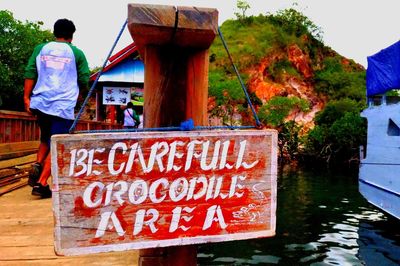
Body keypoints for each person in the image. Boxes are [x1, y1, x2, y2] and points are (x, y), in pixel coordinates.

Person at [24, 19, 89, 198]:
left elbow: (30, 72)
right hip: (62, 105)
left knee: (46, 138)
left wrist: (26, 98)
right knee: (57, 143)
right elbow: (84, 78)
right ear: (72, 35)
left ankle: (38, 164)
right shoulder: (76, 53)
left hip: (41, 102)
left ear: (54, 32)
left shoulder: (40, 49)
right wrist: (81, 94)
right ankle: (42, 182)